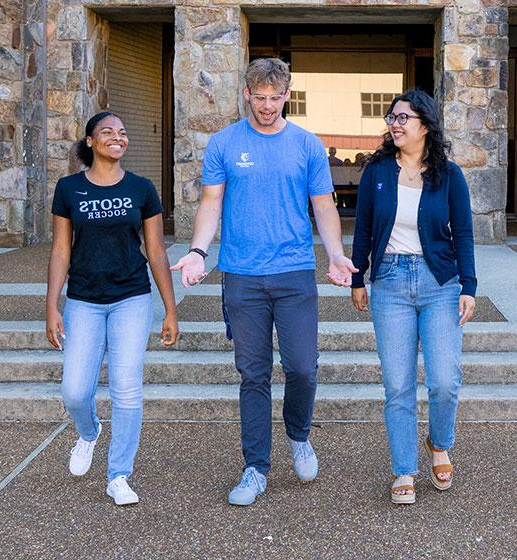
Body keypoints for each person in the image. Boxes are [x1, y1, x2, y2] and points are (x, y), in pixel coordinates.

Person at [170, 58, 356, 506]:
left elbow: (324, 207)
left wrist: (334, 254)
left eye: (276, 98)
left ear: (287, 95)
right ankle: (255, 468)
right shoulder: (224, 143)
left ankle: (298, 434)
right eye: (260, 97)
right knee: (252, 374)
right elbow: (211, 204)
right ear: (247, 96)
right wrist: (198, 251)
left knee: (302, 367)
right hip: (242, 276)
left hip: (294, 272)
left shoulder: (307, 145)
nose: (268, 105)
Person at [350, 90, 477, 505]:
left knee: (444, 380)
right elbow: (364, 227)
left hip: (438, 282)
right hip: (389, 280)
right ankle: (403, 468)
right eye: (392, 117)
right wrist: (357, 278)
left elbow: (464, 233)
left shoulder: (449, 175)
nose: (395, 123)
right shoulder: (377, 171)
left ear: (426, 124)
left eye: (404, 117)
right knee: (398, 384)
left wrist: (469, 286)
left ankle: (438, 443)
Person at [46, 111, 179, 506]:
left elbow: (155, 250)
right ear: (90, 141)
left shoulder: (141, 188)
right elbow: (60, 249)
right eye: (107, 132)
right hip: (84, 300)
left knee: (126, 389)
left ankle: (119, 474)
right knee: (74, 392)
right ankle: (89, 432)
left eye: (122, 133)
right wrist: (52, 305)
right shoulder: (69, 189)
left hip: (131, 298)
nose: (117, 138)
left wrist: (170, 308)